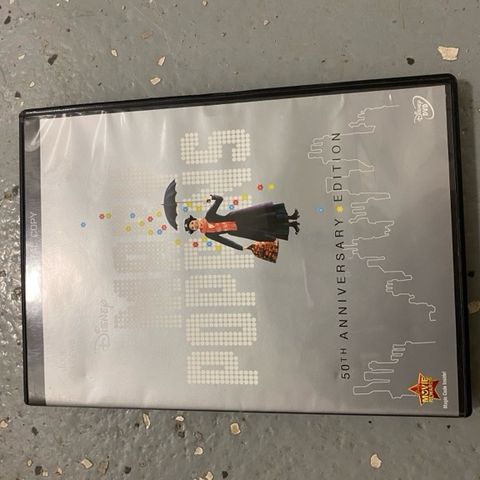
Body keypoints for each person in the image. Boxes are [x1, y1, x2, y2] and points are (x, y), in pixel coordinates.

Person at [184, 194, 300, 251]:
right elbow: (224, 241)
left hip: (238, 218)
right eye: (192, 227)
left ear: (195, 219)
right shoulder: (208, 234)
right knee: (263, 229)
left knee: (263, 217)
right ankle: (291, 225)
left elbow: (220, 199)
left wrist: (212, 197)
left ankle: (290, 216)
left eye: (192, 223)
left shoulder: (209, 215)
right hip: (238, 231)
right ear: (195, 230)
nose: (194, 225)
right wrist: (239, 247)